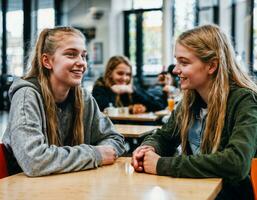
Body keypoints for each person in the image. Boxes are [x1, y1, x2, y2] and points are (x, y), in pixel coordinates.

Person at [131, 24, 257, 200]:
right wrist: (148, 149)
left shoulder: (244, 100)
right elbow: (164, 136)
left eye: (184, 62)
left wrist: (161, 165)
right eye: (177, 61)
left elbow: (236, 163)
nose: (175, 70)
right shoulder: (190, 101)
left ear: (211, 66)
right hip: (193, 192)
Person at [2, 27, 125, 177]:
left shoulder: (82, 97)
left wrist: (102, 152)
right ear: (47, 61)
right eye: (71, 55)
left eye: (84, 56)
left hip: (69, 185)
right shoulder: (27, 95)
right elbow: (34, 161)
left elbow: (115, 139)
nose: (82, 63)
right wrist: (96, 154)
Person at [92, 55, 166, 114]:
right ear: (110, 73)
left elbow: (159, 105)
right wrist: (130, 109)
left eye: (128, 74)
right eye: (120, 73)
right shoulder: (100, 87)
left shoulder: (131, 87)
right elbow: (104, 111)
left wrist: (133, 92)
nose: (124, 78)